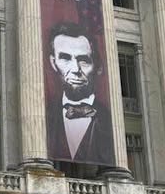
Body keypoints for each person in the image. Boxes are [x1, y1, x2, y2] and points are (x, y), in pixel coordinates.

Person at [46, 22, 114, 165]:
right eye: (65, 58)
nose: (75, 69)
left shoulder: (109, 118)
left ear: (98, 66)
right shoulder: (45, 114)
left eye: (83, 60)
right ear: (53, 62)